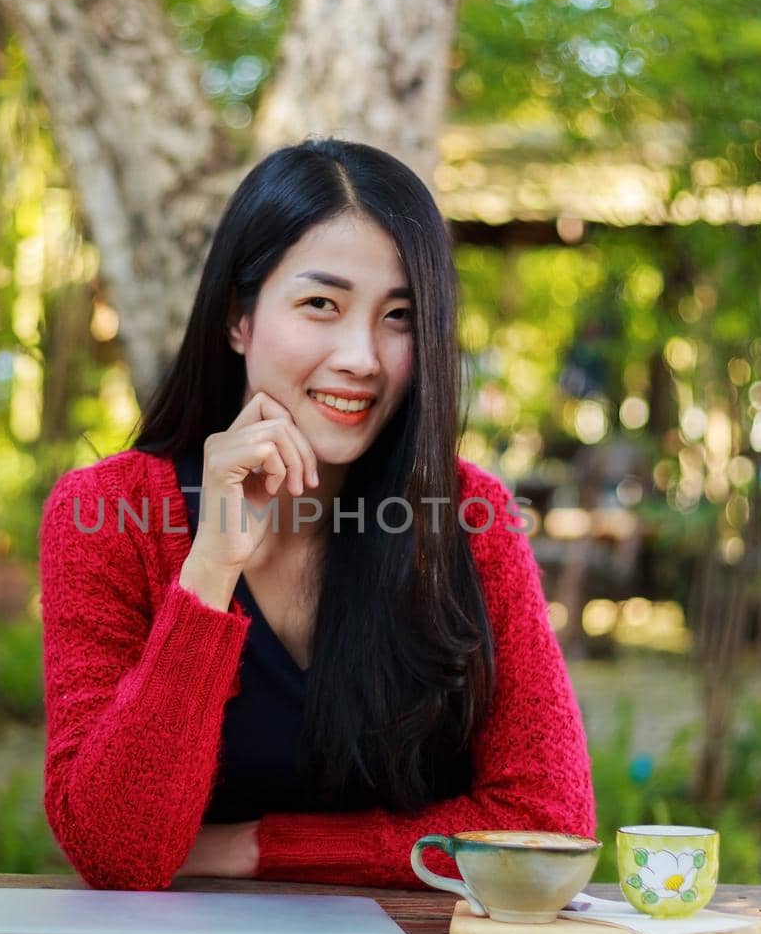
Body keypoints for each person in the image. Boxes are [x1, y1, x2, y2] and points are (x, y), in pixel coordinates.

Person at [38, 137, 594, 891]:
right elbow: (114, 850)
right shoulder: (106, 515)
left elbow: (548, 823)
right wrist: (209, 569)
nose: (362, 356)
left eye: (399, 316)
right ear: (239, 318)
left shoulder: (470, 520)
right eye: (320, 304)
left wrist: (257, 848)